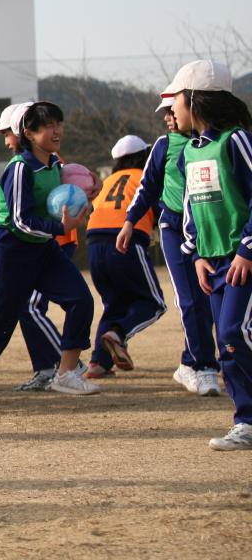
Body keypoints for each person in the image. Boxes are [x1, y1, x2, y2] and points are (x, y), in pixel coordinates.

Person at [0, 101, 97, 405]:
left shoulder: (54, 165)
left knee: (80, 300)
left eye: (58, 123)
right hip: (10, 251)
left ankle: (66, 374)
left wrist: (88, 193)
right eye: (48, 125)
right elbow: (20, 220)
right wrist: (61, 228)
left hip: (43, 248)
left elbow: (64, 198)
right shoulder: (20, 168)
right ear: (29, 133)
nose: (57, 130)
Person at [169, 60, 252, 451]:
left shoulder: (236, 140)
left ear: (196, 100)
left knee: (236, 333)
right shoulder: (190, 151)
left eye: (177, 101)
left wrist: (246, 249)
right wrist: (198, 254)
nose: (172, 111)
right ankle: (247, 422)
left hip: (242, 260)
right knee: (228, 344)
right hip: (214, 262)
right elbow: (190, 206)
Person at [118, 98, 221, 397]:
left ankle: (190, 362)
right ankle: (204, 367)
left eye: (171, 110)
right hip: (174, 229)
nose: (168, 117)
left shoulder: (210, 143)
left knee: (211, 299)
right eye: (165, 113)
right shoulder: (163, 145)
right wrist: (129, 222)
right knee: (190, 300)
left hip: (208, 231)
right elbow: (147, 187)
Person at [0, 102, 76, 391]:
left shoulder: (45, 164)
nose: (6, 140)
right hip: (40, 239)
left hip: (48, 242)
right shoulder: (29, 165)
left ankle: (67, 365)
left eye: (7, 133)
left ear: (22, 130)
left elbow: (23, 217)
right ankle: (47, 367)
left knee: (30, 307)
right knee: (25, 309)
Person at [83, 135, 166, 379]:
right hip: (125, 241)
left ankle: (99, 362)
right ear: (143, 157)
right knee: (154, 303)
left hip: (94, 245)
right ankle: (118, 334)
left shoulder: (108, 181)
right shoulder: (145, 178)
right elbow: (163, 211)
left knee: (115, 304)